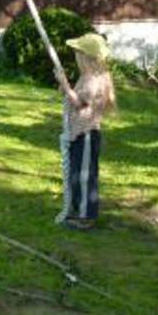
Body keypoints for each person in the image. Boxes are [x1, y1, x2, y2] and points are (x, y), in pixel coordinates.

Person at [55, 33, 116, 230]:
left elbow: (80, 103)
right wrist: (66, 89)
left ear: (86, 57)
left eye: (77, 54)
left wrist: (65, 86)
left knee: (84, 176)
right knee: (75, 173)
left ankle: (85, 217)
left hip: (86, 134)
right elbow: (76, 96)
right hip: (79, 134)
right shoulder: (87, 77)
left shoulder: (93, 80)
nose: (75, 57)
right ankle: (77, 208)